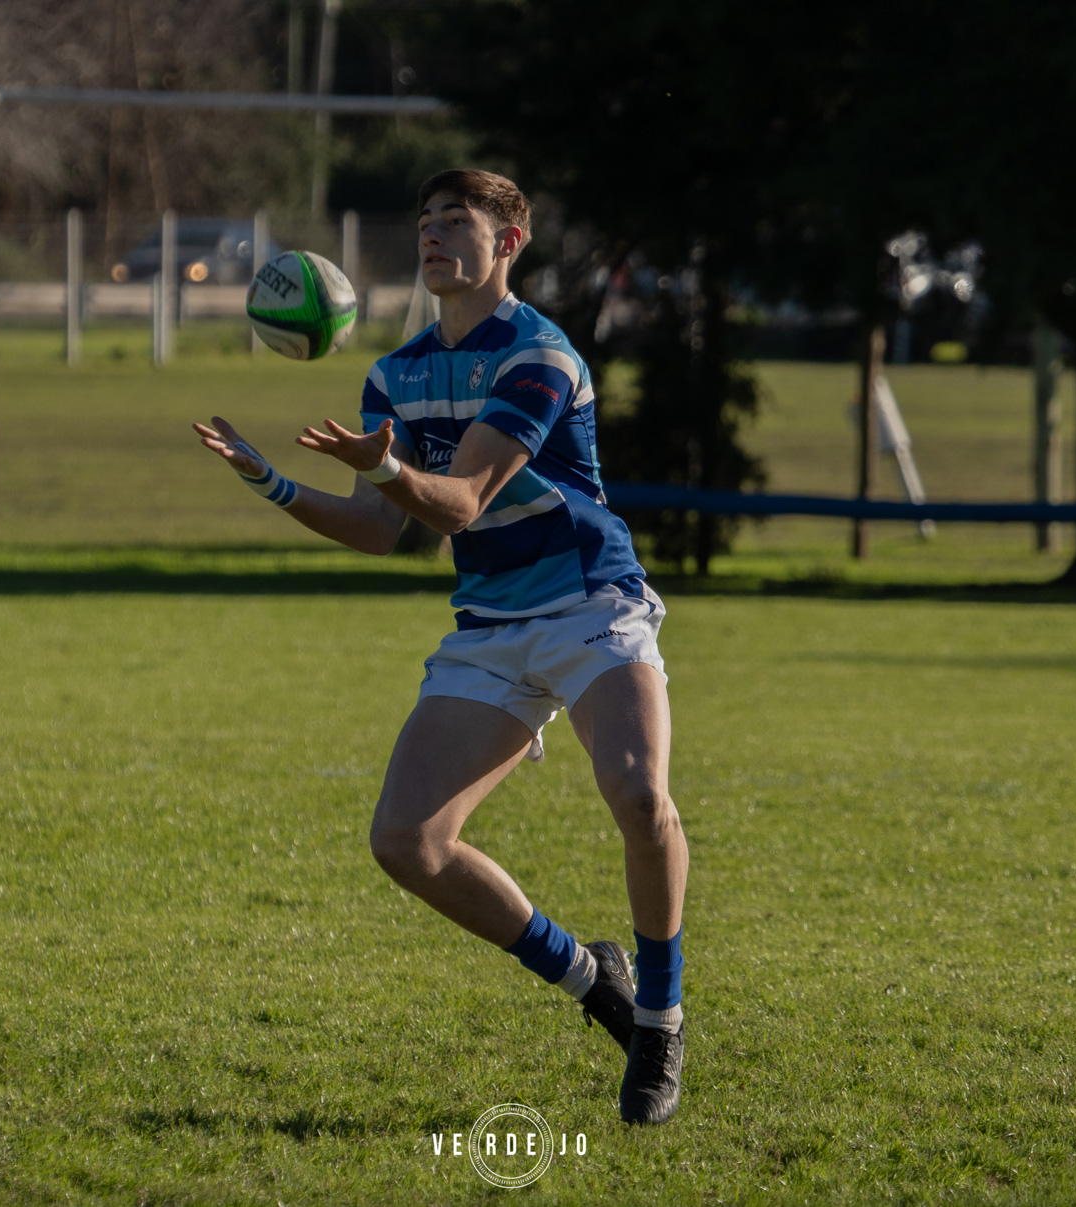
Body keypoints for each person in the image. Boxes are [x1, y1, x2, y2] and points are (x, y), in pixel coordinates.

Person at [193, 169, 687, 1124]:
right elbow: (391, 533)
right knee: (407, 842)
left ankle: (661, 1021)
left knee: (639, 792)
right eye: (423, 221)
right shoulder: (399, 372)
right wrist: (274, 484)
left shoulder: (538, 356)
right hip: (492, 624)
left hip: (592, 604)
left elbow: (459, 503)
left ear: (509, 243)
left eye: (455, 221)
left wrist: (381, 463)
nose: (431, 236)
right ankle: (595, 982)